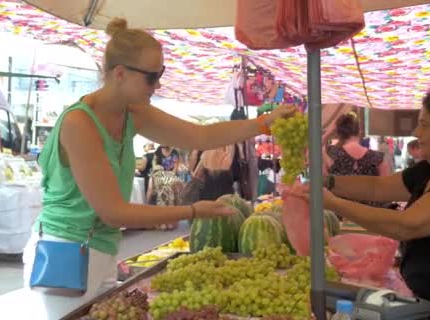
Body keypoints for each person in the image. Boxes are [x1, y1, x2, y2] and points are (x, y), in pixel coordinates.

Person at [21, 18, 296, 319]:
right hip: (64, 252)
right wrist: (191, 212)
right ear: (120, 74)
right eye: (152, 77)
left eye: (160, 74)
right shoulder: (79, 124)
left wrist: (262, 123)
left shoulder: (132, 114)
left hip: (100, 249)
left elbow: (199, 136)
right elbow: (113, 211)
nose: (159, 84)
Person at [302, 87, 430, 319]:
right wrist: (328, 181)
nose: (416, 131)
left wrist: (332, 203)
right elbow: (377, 187)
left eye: (425, 125)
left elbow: (407, 225)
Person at [324, 112, 389, 208]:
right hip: (369, 216)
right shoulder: (378, 158)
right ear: (359, 131)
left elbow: (311, 150)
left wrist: (328, 133)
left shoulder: (332, 154)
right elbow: (386, 192)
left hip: (340, 214)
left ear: (338, 132)